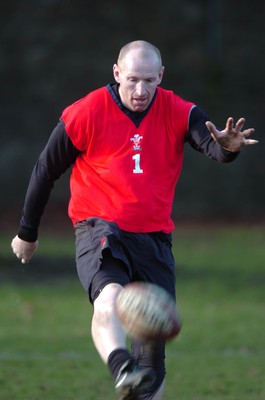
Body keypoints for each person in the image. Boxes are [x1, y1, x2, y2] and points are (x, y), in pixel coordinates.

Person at [11, 40, 258, 400]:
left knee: (152, 361)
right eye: (131, 80)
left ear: (161, 76)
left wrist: (228, 148)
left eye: (148, 80)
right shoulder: (87, 111)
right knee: (109, 298)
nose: (140, 90)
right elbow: (45, 171)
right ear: (116, 73)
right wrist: (27, 233)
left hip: (154, 239)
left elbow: (214, 145)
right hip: (100, 227)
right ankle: (120, 367)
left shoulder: (179, 110)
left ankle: (135, 377)